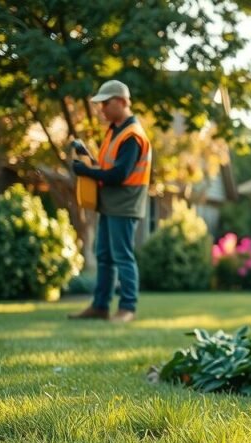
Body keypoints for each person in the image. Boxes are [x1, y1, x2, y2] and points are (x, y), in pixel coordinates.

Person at [67, 80, 152, 323]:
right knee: (104, 256)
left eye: (106, 103)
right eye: (100, 103)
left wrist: (86, 171)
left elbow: (119, 175)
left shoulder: (132, 136)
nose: (101, 108)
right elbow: (107, 167)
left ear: (122, 102)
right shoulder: (115, 131)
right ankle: (100, 306)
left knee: (122, 256)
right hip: (110, 204)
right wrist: (89, 161)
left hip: (124, 205)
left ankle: (127, 308)